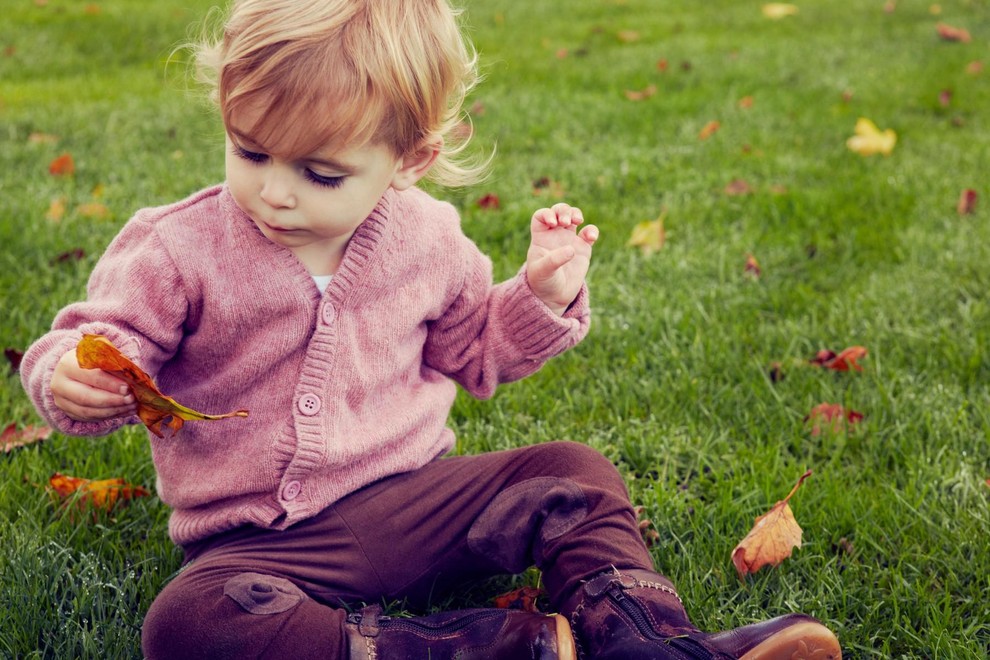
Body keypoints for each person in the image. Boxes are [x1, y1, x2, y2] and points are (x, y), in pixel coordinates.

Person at [20, 0, 843, 658]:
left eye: (320, 172)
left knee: (574, 473)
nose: (274, 192)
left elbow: (473, 348)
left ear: (408, 157)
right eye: (250, 152)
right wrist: (72, 374)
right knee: (189, 624)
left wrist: (541, 297)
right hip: (262, 546)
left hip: (418, 504)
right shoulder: (178, 246)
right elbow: (101, 333)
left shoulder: (426, 237)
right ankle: (493, 646)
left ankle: (654, 643)